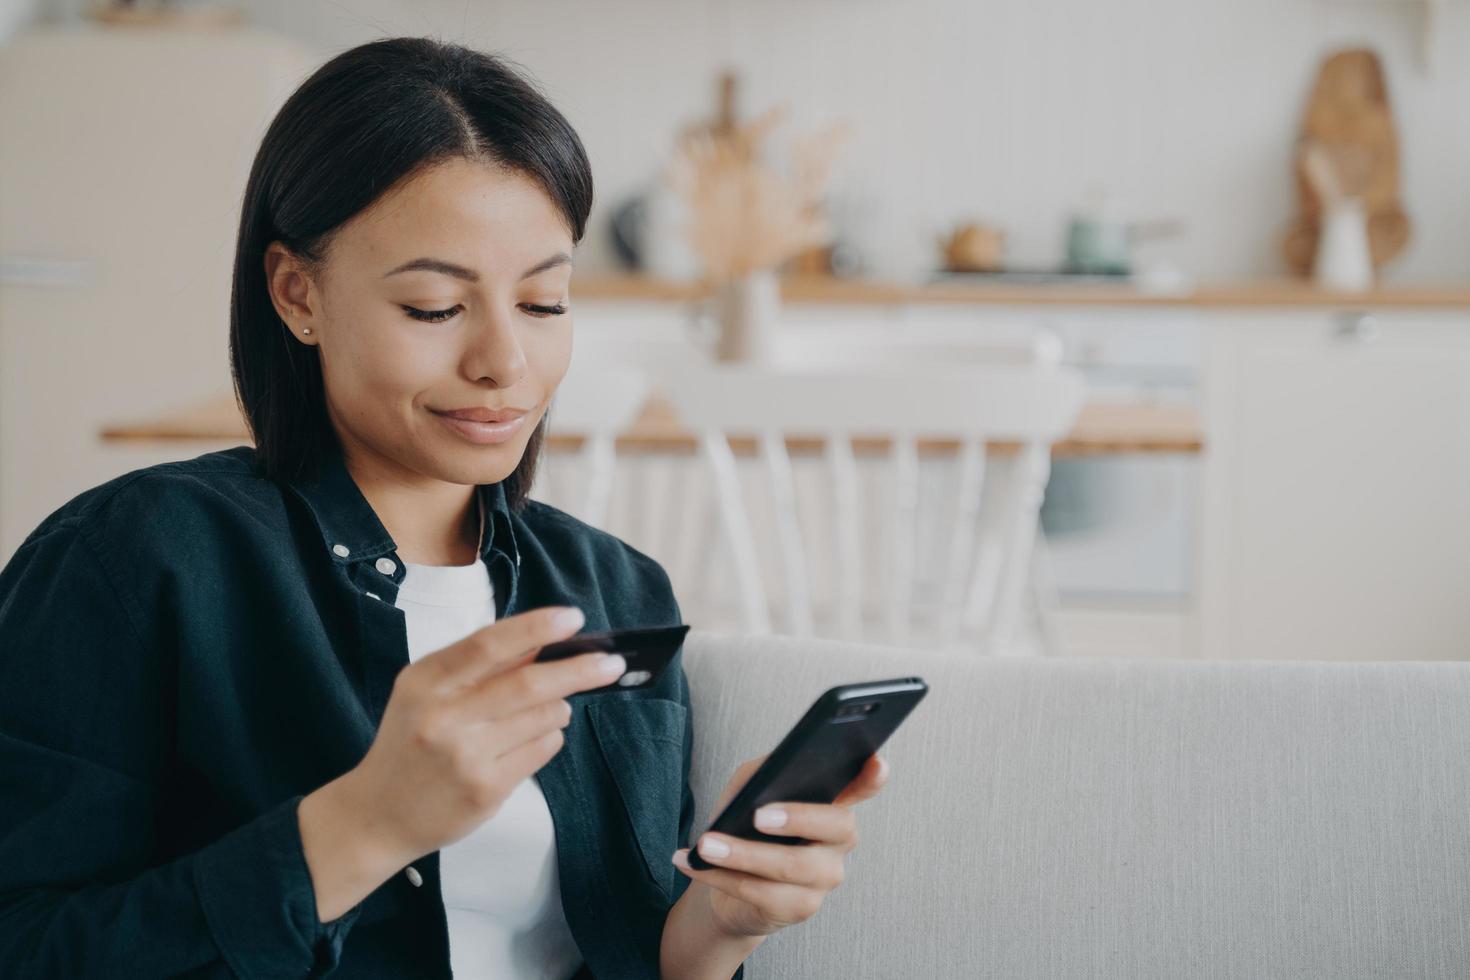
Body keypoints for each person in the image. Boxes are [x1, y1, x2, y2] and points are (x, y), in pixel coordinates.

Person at [0, 36, 891, 979]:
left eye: (545, 303)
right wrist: (366, 825)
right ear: (296, 293)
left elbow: (631, 950)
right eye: (434, 307)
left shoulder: (615, 586)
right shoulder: (137, 560)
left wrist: (720, 921)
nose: (504, 362)